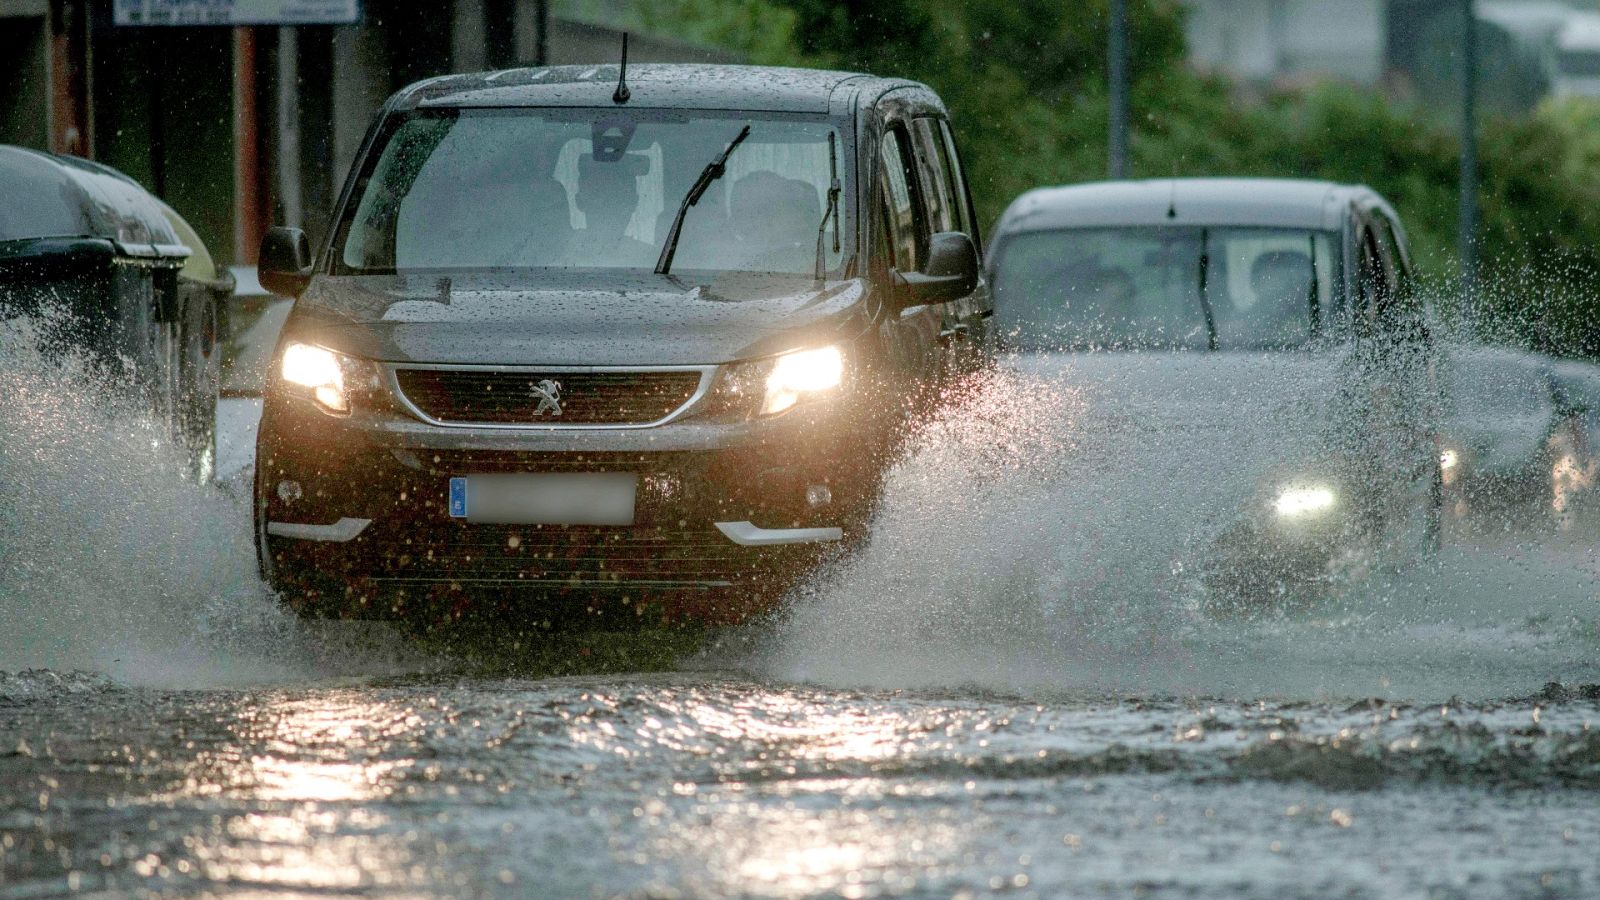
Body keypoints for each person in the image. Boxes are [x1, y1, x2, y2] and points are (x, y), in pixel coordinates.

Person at [569, 152, 656, 267]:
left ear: (633, 203)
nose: (607, 207)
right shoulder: (557, 256)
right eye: (598, 195)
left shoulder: (653, 262)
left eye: (617, 199)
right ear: (580, 201)